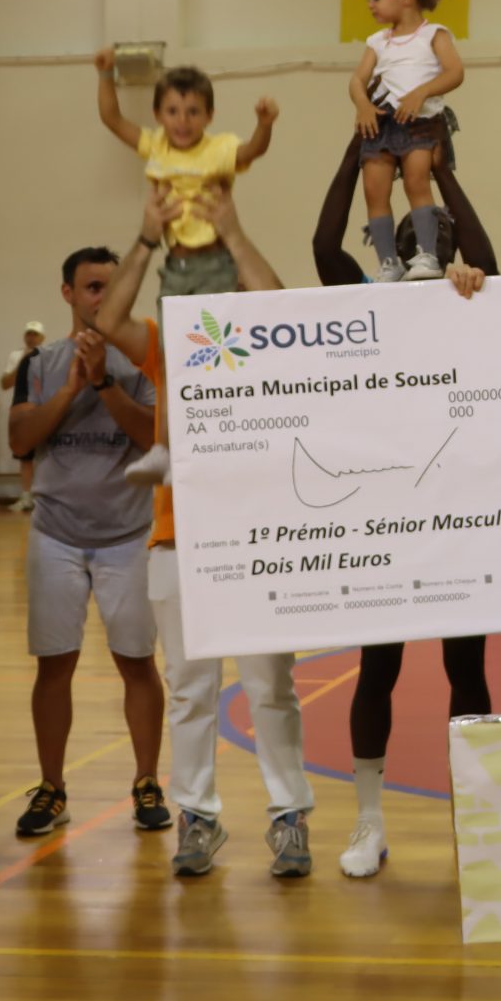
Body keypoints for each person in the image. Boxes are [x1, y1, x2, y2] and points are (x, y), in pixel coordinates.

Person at [98, 179, 327, 879]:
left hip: (256, 540)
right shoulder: (169, 342)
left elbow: (284, 302)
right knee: (191, 687)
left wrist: (232, 231)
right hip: (177, 537)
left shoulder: (263, 337)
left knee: (269, 686)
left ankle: (290, 817)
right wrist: (144, 236)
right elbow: (109, 320)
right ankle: (197, 816)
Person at [300, 137, 499, 877]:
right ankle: (369, 822)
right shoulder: (364, 298)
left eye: (437, 229)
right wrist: (361, 150)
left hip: (456, 512)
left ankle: (474, 821)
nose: (427, 236)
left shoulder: (471, 296)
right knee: (376, 668)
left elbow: (485, 251)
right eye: (411, 228)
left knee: (466, 671)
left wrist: (439, 164)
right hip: (384, 509)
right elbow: (324, 243)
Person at [7, 246, 168, 838]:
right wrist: (71, 389)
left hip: (128, 534)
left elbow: (153, 437)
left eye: (111, 287)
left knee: (137, 663)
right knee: (55, 666)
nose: (101, 298)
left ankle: (147, 780)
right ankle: (52, 787)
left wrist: (103, 383)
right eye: (91, 287)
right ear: (67, 295)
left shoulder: (145, 359)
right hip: (56, 534)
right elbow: (21, 440)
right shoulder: (40, 362)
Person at [95, 52, 278, 298]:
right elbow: (112, 119)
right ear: (157, 115)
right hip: (175, 264)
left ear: (209, 115)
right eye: (172, 111)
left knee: (213, 329)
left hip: (215, 263)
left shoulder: (218, 149)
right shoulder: (156, 145)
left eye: (193, 112)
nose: (183, 121)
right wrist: (106, 74)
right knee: (174, 332)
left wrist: (264, 125)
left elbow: (252, 151)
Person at [348, 0, 466, 282]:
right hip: (382, 125)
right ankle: (388, 261)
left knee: (417, 182)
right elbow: (357, 80)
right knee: (374, 189)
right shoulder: (377, 42)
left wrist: (422, 92)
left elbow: (455, 72)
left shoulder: (434, 35)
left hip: (418, 125)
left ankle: (426, 254)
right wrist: (363, 106)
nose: (370, 5)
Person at [2, 322, 46, 512]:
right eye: (28, 334)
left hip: (41, 407)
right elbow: (5, 383)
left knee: (44, 454)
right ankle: (26, 497)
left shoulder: (49, 354)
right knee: (24, 455)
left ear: (42, 338)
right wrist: (23, 361)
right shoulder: (15, 355)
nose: (31, 338)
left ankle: (43, 498)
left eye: (35, 334)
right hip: (20, 405)